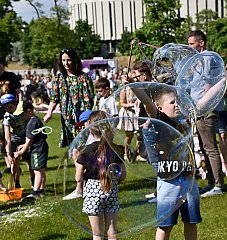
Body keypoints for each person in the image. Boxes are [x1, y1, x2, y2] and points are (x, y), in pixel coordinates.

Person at [132, 86, 202, 240]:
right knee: (165, 226)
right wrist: (133, 86)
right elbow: (148, 104)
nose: (177, 104)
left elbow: (204, 102)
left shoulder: (183, 120)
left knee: (191, 222)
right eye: (172, 102)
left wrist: (225, 80)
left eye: (177, 101)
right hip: (169, 183)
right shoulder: (158, 121)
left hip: (189, 179)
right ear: (160, 108)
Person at [75, 111, 126, 240]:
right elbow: (123, 176)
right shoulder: (116, 149)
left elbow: (78, 177)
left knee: (97, 235)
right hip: (111, 189)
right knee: (112, 233)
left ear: (91, 131)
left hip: (92, 191)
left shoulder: (86, 150)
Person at [188, 30, 225, 197]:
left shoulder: (207, 57)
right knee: (204, 147)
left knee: (210, 147)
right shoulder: (199, 60)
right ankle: (211, 182)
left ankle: (218, 185)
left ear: (201, 43)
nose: (189, 47)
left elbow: (208, 84)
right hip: (199, 109)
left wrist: (202, 105)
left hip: (206, 109)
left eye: (191, 44)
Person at [43, 48, 94, 147]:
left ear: (74, 60)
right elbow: (54, 98)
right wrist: (49, 112)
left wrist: (87, 119)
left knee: (82, 147)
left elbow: (89, 101)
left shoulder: (84, 78)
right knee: (73, 148)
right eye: (63, 60)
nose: (66, 63)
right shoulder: (59, 78)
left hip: (81, 118)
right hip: (66, 119)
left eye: (68, 60)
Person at [14, 101, 49, 198]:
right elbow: (30, 139)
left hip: (38, 149)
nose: (21, 116)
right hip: (42, 147)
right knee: (41, 170)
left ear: (29, 111)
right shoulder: (36, 120)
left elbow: (30, 140)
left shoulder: (31, 123)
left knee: (37, 171)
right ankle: (41, 191)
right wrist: (23, 145)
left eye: (22, 114)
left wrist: (21, 152)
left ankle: (35, 193)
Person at [63, 109, 93, 200]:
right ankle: (80, 188)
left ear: (90, 122)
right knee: (75, 152)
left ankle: (79, 189)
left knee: (78, 156)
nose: (81, 128)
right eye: (79, 126)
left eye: (83, 124)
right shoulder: (84, 135)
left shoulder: (96, 134)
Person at [1, 94, 29, 188]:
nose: (9, 110)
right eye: (6, 108)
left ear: (15, 104)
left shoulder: (22, 112)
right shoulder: (7, 117)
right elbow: (7, 138)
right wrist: (8, 154)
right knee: (15, 161)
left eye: (10, 107)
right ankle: (17, 182)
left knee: (29, 160)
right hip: (14, 138)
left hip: (27, 136)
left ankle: (34, 182)